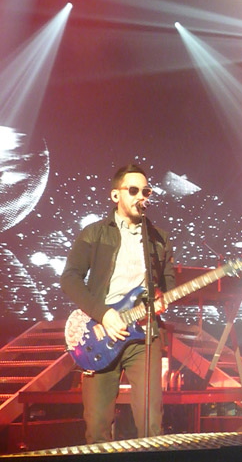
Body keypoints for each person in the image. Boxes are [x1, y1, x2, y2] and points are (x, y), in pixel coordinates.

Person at [60, 164, 175, 443]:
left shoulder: (158, 239)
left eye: (145, 191)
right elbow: (70, 278)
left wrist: (164, 297)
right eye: (133, 190)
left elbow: (168, 281)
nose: (140, 196)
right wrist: (103, 314)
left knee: (151, 424)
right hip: (102, 332)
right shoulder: (94, 233)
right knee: (97, 426)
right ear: (115, 195)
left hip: (144, 335)